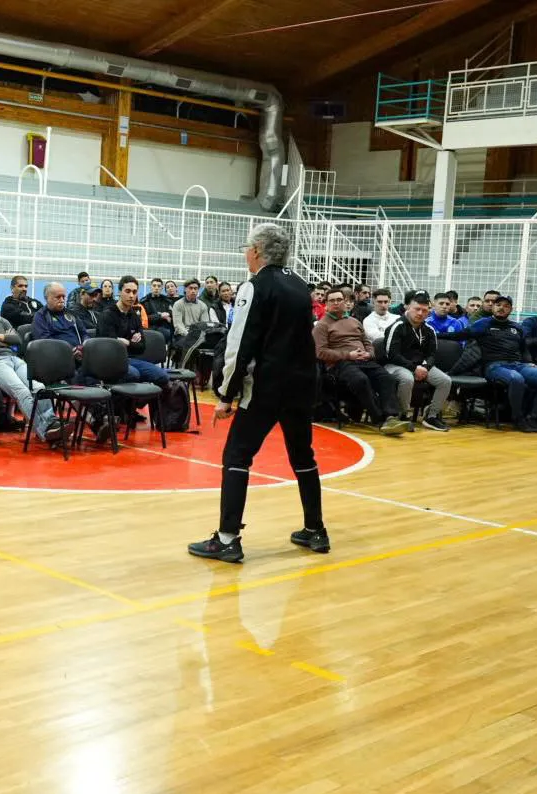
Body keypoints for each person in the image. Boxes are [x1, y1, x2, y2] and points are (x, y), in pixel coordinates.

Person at [188, 223, 327, 565]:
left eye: (247, 249)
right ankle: (316, 530)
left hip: (268, 386)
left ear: (258, 251)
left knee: (237, 456)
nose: (246, 255)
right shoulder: (299, 284)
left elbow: (240, 343)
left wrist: (225, 393)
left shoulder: (255, 286)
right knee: (303, 457)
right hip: (302, 384)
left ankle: (227, 539)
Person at [0, 282, 65, 445]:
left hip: (14, 359)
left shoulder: (2, 321)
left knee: (39, 388)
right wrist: (5, 340)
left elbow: (17, 340)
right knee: (21, 392)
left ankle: (52, 423)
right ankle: (46, 431)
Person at [461, 295, 537, 433]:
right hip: (494, 366)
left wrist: (529, 362)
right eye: (498, 305)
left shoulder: (516, 327)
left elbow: (524, 347)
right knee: (517, 379)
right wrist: (437, 335)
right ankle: (517, 418)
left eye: (506, 306)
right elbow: (461, 336)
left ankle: (532, 417)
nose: (501, 308)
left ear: (511, 309)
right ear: (493, 307)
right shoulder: (483, 323)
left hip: (517, 364)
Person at [315, 287, 409, 436]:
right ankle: (381, 420)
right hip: (340, 364)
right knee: (361, 380)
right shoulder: (322, 325)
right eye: (332, 300)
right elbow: (320, 352)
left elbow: (366, 342)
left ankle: (391, 416)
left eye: (339, 300)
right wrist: (348, 355)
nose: (336, 303)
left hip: (364, 360)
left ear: (344, 302)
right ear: (326, 303)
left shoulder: (354, 321)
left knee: (387, 378)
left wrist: (369, 353)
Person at [383, 292, 451, 432]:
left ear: (428, 312)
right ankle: (403, 416)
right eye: (417, 309)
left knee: (445, 381)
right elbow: (392, 354)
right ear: (408, 308)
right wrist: (414, 368)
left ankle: (431, 416)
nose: (420, 313)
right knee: (407, 379)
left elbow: (432, 354)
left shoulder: (429, 330)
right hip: (395, 365)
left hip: (420, 366)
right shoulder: (397, 326)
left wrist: (425, 367)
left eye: (424, 310)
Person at [96, 276, 169, 384]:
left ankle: (141, 400)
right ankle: (113, 399)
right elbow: (110, 347)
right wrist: (130, 343)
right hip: (110, 361)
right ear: (120, 292)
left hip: (130, 360)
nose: (131, 296)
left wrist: (127, 342)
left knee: (162, 376)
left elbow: (141, 347)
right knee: (133, 374)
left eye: (134, 292)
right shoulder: (107, 315)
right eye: (128, 291)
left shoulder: (134, 316)